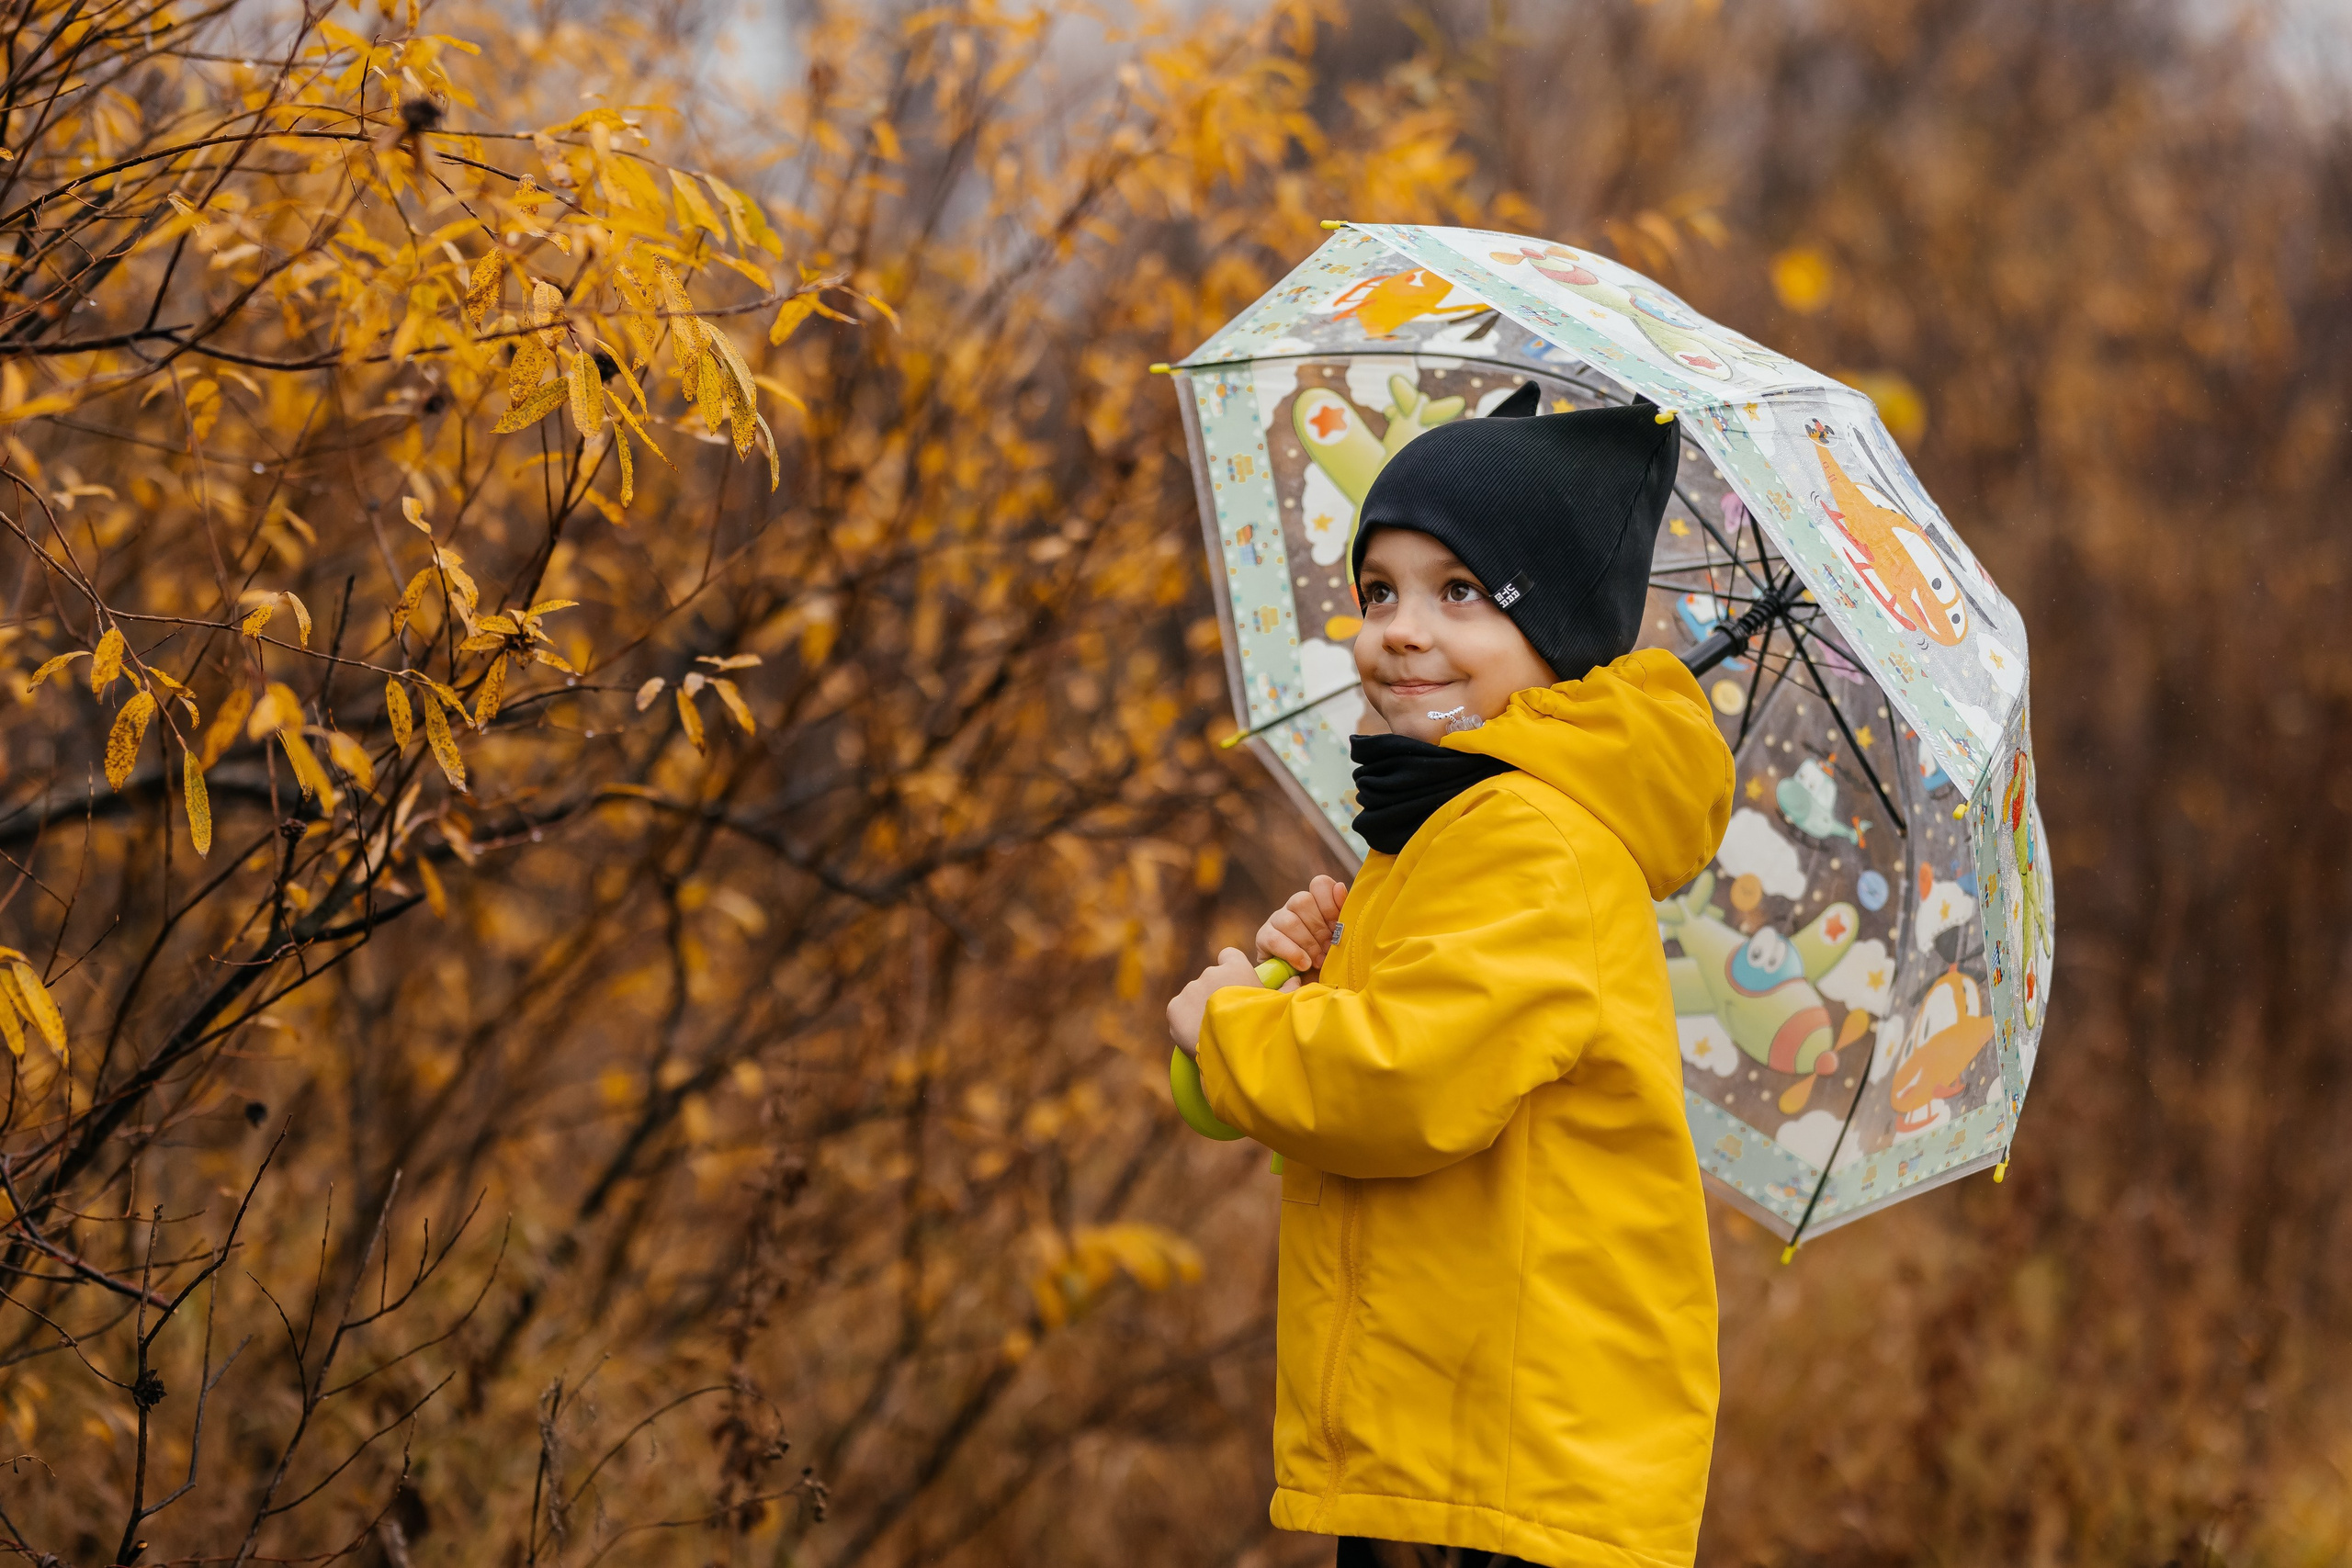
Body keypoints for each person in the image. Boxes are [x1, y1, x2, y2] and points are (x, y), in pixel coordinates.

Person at [1166, 389, 1736, 1568]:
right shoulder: (1441, 829)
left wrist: (1227, 1025)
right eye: (1380, 590)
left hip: (1507, 1468)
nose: (1399, 630)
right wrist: (1285, 996)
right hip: (1442, 1444)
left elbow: (1404, 1089)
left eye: (1461, 593)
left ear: (1561, 636)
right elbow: (1347, 1080)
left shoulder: (1531, 839)